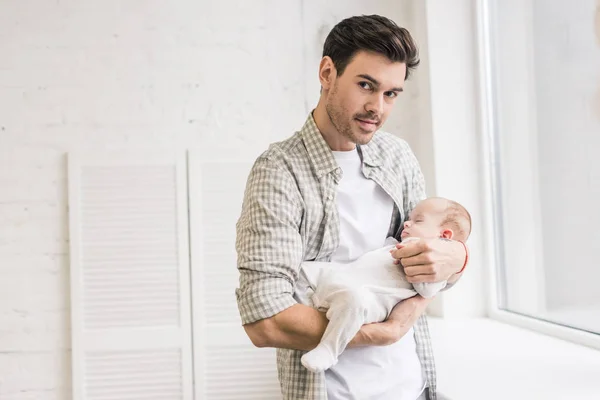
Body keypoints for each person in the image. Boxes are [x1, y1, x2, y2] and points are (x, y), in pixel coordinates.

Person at [235, 14, 469, 400]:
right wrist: (379, 333)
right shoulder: (279, 171)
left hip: (416, 388)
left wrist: (458, 255)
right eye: (366, 85)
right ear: (327, 72)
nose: (377, 107)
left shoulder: (398, 157)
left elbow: (437, 263)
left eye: (391, 94)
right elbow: (265, 320)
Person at [299, 197, 471, 374]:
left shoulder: (433, 270)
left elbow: (427, 291)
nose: (406, 223)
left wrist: (418, 264)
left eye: (418, 221)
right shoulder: (397, 244)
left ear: (444, 237)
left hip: (370, 299)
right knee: (304, 270)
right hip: (342, 276)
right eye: (410, 219)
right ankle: (305, 300)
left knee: (353, 304)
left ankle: (329, 349)